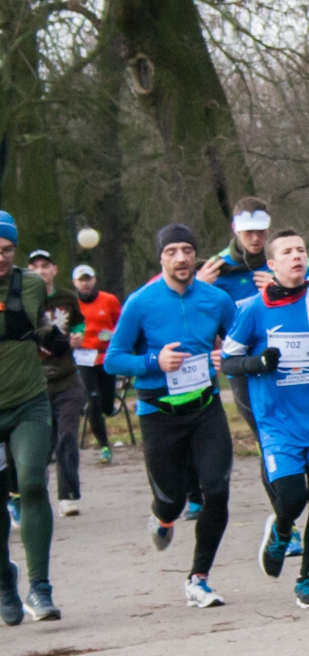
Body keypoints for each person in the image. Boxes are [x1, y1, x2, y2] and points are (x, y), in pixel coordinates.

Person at [221, 230, 309, 609]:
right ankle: (282, 529)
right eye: (287, 251)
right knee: (291, 497)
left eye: (301, 250)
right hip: (277, 423)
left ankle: (307, 580)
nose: (296, 256)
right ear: (272, 264)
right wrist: (255, 363)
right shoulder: (252, 309)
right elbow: (227, 361)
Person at [105, 224, 238, 608]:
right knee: (171, 500)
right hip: (158, 414)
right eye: (172, 251)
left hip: (205, 409)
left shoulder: (216, 299)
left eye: (187, 250)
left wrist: (226, 356)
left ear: (196, 256)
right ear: (161, 257)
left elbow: (240, 340)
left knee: (216, 490)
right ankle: (162, 518)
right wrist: (154, 361)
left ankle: (199, 578)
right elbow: (113, 360)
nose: (181, 258)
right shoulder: (140, 302)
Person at [197, 196, 301, 550]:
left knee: (295, 437)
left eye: (260, 231)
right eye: (248, 232)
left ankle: (290, 514)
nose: (255, 238)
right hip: (243, 368)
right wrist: (199, 288)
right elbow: (190, 315)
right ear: (235, 230)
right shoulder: (214, 269)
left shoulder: (284, 258)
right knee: (268, 439)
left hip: (287, 361)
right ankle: (287, 525)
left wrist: (281, 285)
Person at [0, 221, 64, 622]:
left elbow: (31, 326)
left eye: (7, 249)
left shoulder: (30, 285)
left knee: (31, 483)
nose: (0, 257)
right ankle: (5, 581)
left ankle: (40, 588)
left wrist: (50, 337)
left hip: (28, 402)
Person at [29, 251, 88, 517]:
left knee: (66, 437)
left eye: (45, 266)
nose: (41, 271)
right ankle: (32, 496)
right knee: (39, 444)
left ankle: (68, 495)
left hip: (67, 379)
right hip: (35, 382)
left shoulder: (66, 297)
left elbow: (79, 324)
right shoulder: (24, 298)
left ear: (54, 269)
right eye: (35, 267)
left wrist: (77, 337)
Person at [72, 265, 122, 465]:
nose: (85, 283)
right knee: (93, 400)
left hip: (105, 357)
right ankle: (104, 446)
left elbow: (121, 325)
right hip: (83, 359)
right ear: (75, 283)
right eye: (81, 280)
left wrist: (112, 335)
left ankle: (104, 409)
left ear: (94, 280)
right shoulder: (71, 304)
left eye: (88, 279)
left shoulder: (109, 300)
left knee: (107, 404)